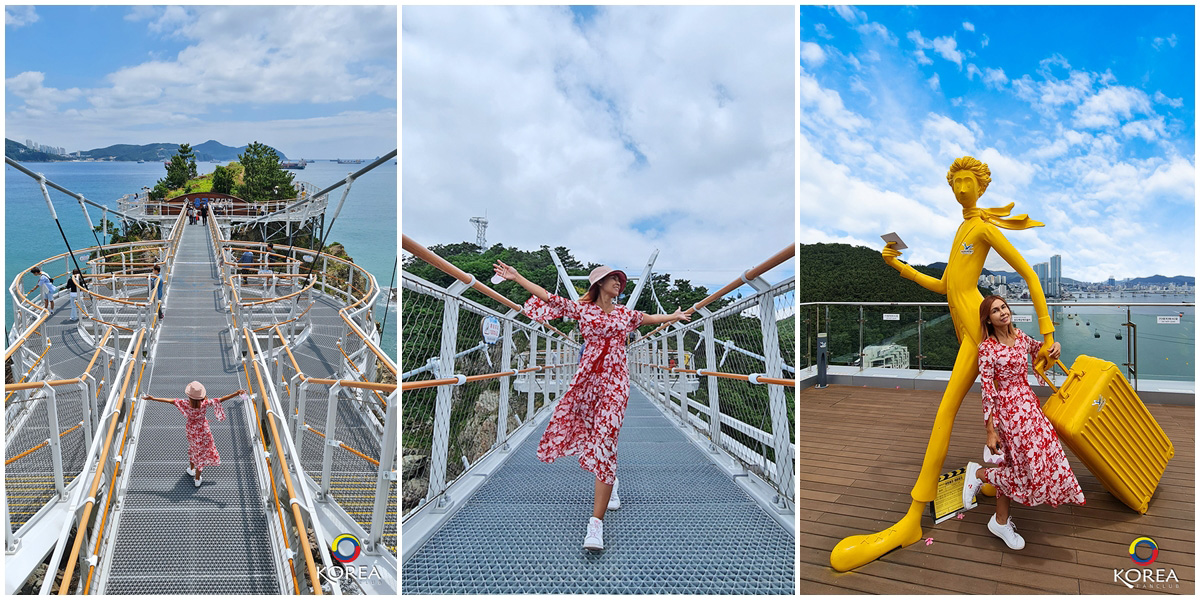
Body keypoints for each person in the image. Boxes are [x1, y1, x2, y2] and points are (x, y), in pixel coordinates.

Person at [831, 156, 1058, 571]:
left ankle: (911, 521)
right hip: (968, 330)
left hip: (979, 330)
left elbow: (1029, 274)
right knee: (990, 409)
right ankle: (995, 480)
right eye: (955, 183)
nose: (961, 188)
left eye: (968, 181)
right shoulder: (962, 230)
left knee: (946, 413)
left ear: (981, 186)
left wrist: (1048, 334)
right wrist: (898, 267)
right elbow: (945, 284)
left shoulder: (984, 228)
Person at [492, 260, 690, 551]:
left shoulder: (625, 314)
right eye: (613, 279)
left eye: (620, 281)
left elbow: (648, 318)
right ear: (599, 284)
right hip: (587, 383)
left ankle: (595, 524)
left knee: (606, 439)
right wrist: (518, 275)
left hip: (616, 384)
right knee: (589, 434)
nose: (619, 284)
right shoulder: (583, 310)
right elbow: (549, 297)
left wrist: (673, 316)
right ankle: (611, 482)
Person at [959, 295, 1082, 550]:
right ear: (988, 320)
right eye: (995, 311)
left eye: (1004, 307)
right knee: (1026, 470)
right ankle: (981, 474)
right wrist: (990, 431)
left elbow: (1041, 351)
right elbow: (987, 392)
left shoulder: (1020, 337)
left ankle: (1000, 521)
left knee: (1039, 458)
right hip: (1008, 412)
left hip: (1029, 407)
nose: (1003, 312)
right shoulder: (987, 349)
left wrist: (1055, 346)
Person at [142, 383, 247, 487]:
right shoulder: (205, 403)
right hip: (203, 430)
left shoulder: (185, 403)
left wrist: (153, 398)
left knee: (193, 448)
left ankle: (192, 469)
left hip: (191, 430)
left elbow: (170, 401)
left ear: (189, 396)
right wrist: (236, 393)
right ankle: (197, 479)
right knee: (201, 453)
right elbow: (222, 399)